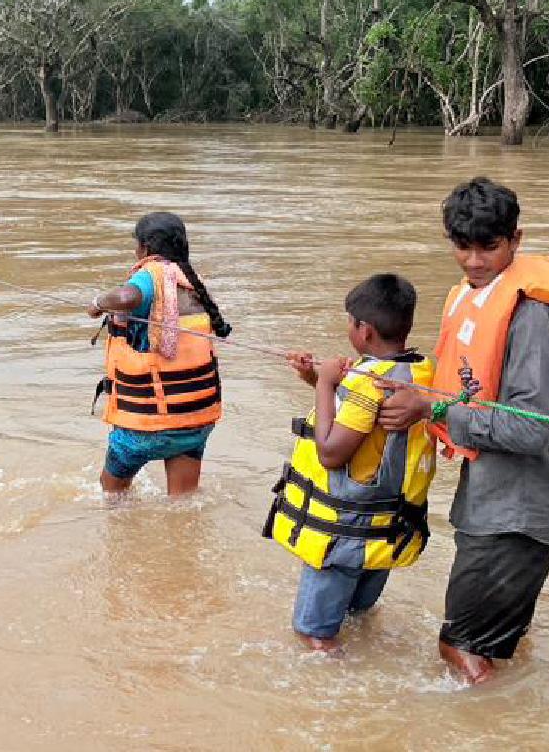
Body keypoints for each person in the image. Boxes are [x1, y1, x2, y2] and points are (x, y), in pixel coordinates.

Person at [378, 177, 549, 684]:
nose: (474, 261)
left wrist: (433, 410)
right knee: (499, 645)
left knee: (459, 647)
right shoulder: (475, 295)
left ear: (516, 239)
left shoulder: (529, 315)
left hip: (516, 511)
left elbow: (529, 430)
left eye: (488, 247)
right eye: (462, 246)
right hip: (496, 498)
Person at [266, 274, 436, 651]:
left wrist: (326, 385)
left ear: (366, 331)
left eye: (349, 322)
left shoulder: (369, 384)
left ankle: (336, 702)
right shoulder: (415, 371)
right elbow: (365, 426)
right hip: (382, 531)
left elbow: (331, 453)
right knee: (358, 619)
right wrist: (314, 377)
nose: (348, 329)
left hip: (344, 536)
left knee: (314, 635)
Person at [85, 212, 231, 497]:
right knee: (183, 503)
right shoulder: (191, 281)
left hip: (144, 425)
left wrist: (97, 303)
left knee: (110, 498)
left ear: (146, 248)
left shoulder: (150, 278)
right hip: (194, 422)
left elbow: (126, 298)